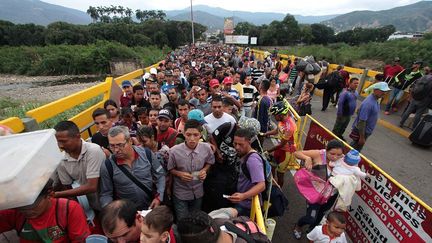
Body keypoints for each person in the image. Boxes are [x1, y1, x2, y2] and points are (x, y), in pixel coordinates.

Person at [0, 179, 90, 242]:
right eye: (21, 206)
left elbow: (80, 240)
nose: (26, 210)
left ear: (49, 194)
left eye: (32, 205)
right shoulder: (14, 213)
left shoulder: (69, 209)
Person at [99, 126, 166, 210]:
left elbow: (160, 176)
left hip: (152, 207)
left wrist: (159, 198)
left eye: (120, 145)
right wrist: (112, 212)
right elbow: (106, 194)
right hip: (128, 214)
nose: (116, 150)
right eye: (112, 146)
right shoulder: (107, 166)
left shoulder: (147, 154)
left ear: (130, 141)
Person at [293, 140, 344, 239]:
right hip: (315, 194)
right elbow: (297, 153)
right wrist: (307, 158)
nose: (335, 157)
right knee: (311, 218)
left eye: (339, 155)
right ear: (326, 150)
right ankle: (298, 225)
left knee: (320, 215)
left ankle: (312, 230)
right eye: (332, 154)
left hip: (331, 196)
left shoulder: (343, 160)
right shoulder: (319, 154)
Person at [53, 121, 105, 212]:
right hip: (91, 206)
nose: (61, 146)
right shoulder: (61, 160)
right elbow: (68, 189)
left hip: (108, 201)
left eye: (64, 141)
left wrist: (57, 194)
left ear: (78, 136)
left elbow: (92, 186)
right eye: (58, 142)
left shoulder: (93, 151)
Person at [168, 119, 215, 220]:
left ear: (201, 135)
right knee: (182, 220)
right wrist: (179, 174)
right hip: (180, 193)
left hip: (198, 192)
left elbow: (210, 162)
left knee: (195, 219)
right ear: (184, 134)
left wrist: (204, 170)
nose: (192, 139)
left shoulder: (206, 148)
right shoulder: (174, 151)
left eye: (196, 135)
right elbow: (170, 169)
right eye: (188, 135)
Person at [229, 128, 265, 216]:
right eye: (235, 143)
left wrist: (243, 196)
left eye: (241, 144)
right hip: (242, 202)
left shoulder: (253, 160)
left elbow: (261, 185)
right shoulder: (244, 155)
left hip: (247, 206)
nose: (237, 147)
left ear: (249, 142)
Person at [261, 99, 297, 187]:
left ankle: (279, 189)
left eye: (274, 115)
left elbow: (282, 144)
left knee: (280, 174)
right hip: (280, 149)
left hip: (287, 152)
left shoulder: (290, 127)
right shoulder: (282, 120)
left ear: (280, 114)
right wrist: (266, 133)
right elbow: (277, 130)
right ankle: (272, 184)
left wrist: (268, 151)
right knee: (272, 165)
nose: (273, 117)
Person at [350, 82, 390, 152]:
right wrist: (362, 138)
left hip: (366, 131)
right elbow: (362, 121)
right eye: (382, 91)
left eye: (385, 91)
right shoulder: (369, 103)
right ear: (375, 90)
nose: (384, 93)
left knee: (354, 148)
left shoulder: (375, 99)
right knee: (354, 150)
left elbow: (359, 110)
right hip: (362, 132)